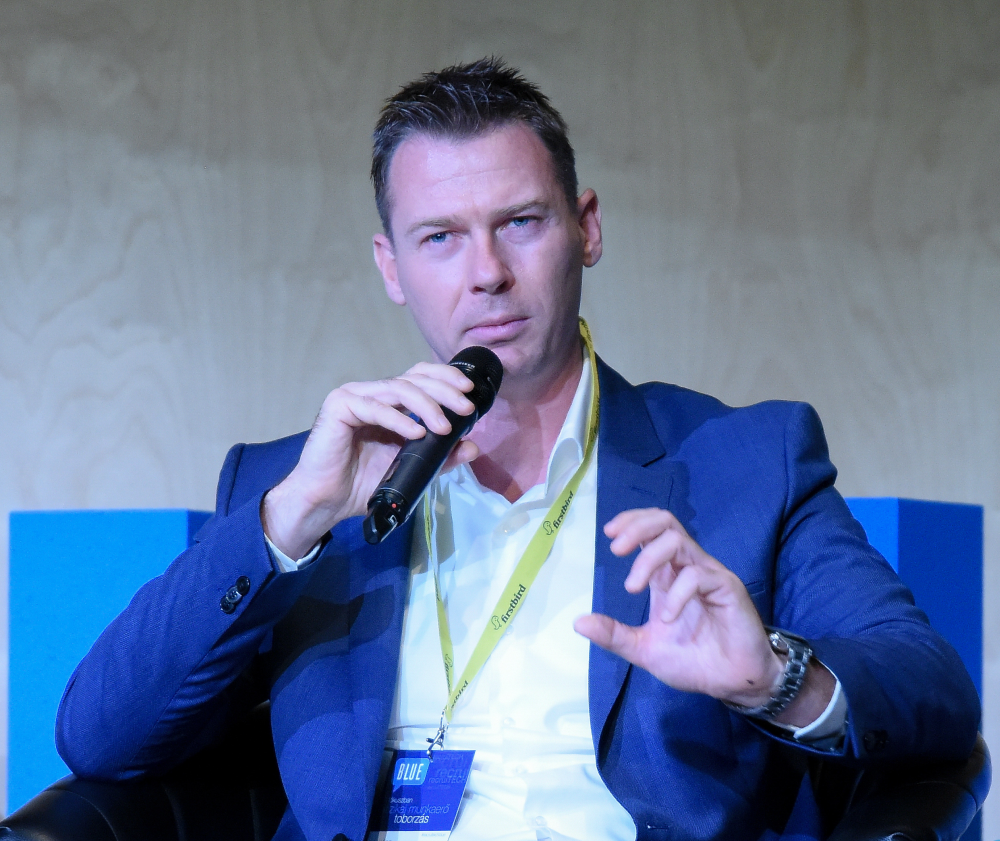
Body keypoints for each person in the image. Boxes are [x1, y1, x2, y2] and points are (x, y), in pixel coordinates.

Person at [57, 58, 980, 841]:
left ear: (587, 227)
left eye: (521, 223)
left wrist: (772, 678)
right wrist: (290, 520)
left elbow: (934, 690)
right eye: (440, 238)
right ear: (391, 266)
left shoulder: (744, 460)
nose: (487, 273)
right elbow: (98, 737)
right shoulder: (295, 484)